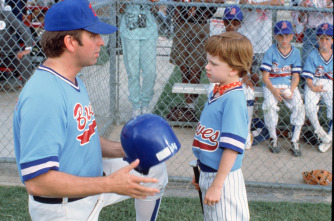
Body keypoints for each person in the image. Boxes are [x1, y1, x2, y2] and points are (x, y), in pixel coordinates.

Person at [13, 0, 167, 220]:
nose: (101, 42)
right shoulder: (44, 95)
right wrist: (109, 184)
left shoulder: (71, 79)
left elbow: (83, 136)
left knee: (153, 168)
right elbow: (38, 182)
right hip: (63, 209)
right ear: (70, 42)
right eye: (93, 36)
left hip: (88, 184)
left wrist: (130, 151)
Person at [192, 32, 253, 220]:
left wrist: (217, 185)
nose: (207, 67)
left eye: (214, 64)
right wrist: (200, 170)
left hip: (224, 180)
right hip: (210, 173)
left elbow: (232, 148)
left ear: (234, 68)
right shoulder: (218, 90)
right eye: (208, 61)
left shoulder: (233, 99)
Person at [207, 5, 256, 150]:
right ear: (223, 22)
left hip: (238, 75)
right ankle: (215, 129)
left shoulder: (244, 39)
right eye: (227, 21)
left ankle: (246, 131)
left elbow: (247, 62)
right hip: (221, 76)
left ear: (240, 24)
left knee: (249, 92)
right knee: (211, 90)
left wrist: (246, 76)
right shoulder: (218, 38)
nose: (230, 25)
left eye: (234, 23)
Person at [167, 0, 224, 122]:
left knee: (195, 69)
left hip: (200, 24)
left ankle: (191, 106)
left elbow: (220, 1)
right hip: (182, 23)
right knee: (183, 68)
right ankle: (189, 107)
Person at [260, 21, 305, 157]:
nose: (284, 39)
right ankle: (273, 137)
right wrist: (273, 90)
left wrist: (291, 90)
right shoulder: (271, 51)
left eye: (287, 35)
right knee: (269, 106)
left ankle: (295, 139)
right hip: (271, 85)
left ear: (292, 36)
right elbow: (264, 76)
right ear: (275, 36)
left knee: (299, 106)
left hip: (287, 85)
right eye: (280, 36)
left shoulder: (296, 52)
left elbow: (296, 76)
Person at [119, 0, 160, 117]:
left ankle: (145, 103)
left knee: (150, 72)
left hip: (149, 30)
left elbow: (156, 9)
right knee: (133, 71)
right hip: (129, 30)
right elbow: (118, 8)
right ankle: (136, 106)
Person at [238, 0, 284, 87]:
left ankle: (254, 99)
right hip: (248, 41)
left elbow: (280, 2)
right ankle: (251, 99)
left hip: (264, 42)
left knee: (258, 77)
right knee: (249, 76)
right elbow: (241, 2)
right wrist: (251, 5)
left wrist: (257, 5)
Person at [302, 23, 333, 153]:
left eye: (327, 39)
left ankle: (329, 137)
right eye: (321, 38)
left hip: (330, 83)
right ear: (317, 39)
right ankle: (320, 132)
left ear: (332, 40)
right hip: (314, 82)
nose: (324, 42)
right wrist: (313, 87)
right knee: (309, 106)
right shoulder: (313, 54)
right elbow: (307, 76)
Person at [0, 0, 33, 86]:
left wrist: (27, 48)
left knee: (25, 59)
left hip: (11, 54)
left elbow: (24, 29)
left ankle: (27, 90)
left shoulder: (6, 15)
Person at [297, 0, 333, 66]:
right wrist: (303, 9)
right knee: (306, 62)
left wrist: (322, 5)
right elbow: (301, 20)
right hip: (312, 32)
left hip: (330, 33)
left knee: (329, 66)